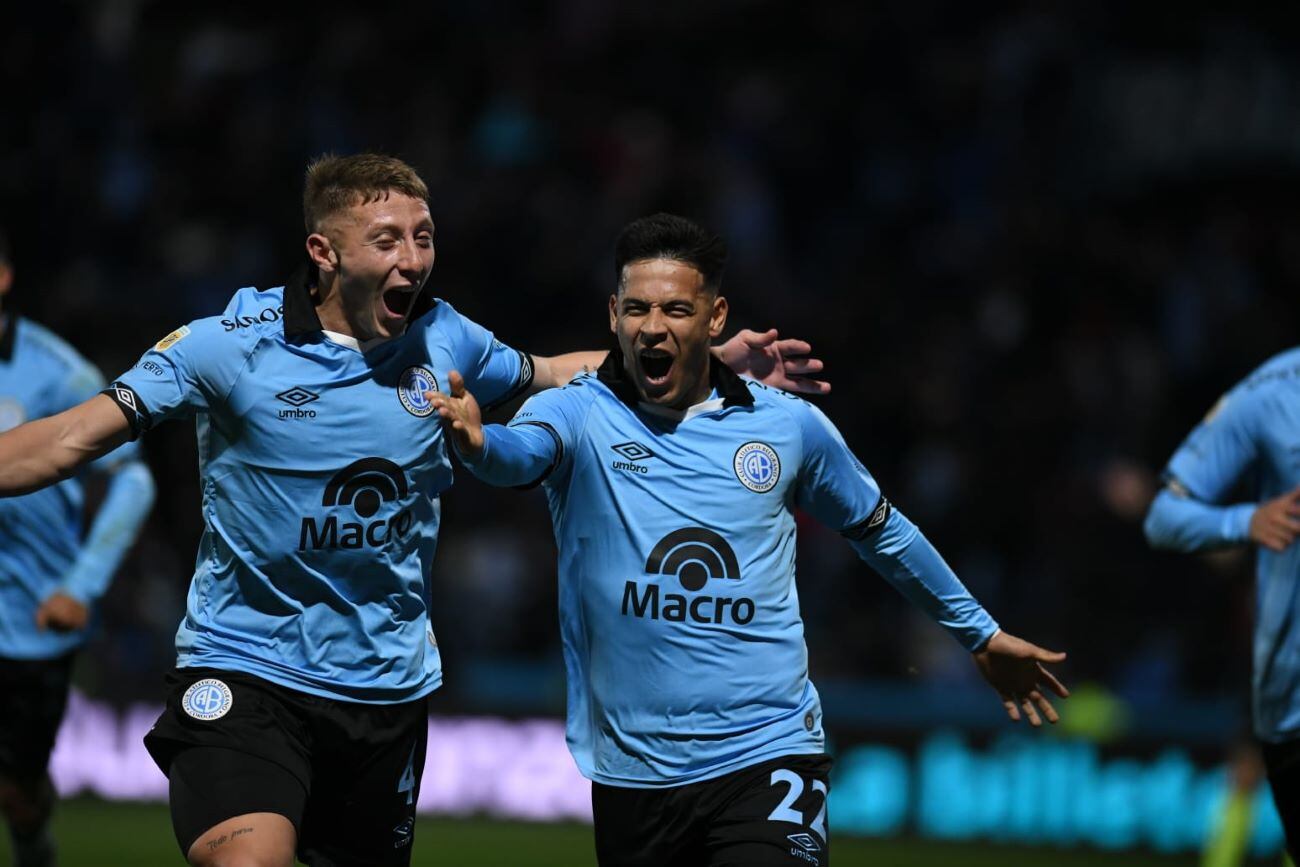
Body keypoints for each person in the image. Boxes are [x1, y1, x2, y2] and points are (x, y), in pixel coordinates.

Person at [0, 156, 827, 867]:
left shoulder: (445, 337)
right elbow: (70, 439)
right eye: (388, 239)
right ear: (324, 252)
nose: (413, 258)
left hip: (384, 693)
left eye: (423, 236)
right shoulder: (226, 346)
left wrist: (703, 359)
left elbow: (551, 373)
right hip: (246, 668)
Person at [431, 213, 1071, 866]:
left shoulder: (789, 426)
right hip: (633, 771)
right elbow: (517, 454)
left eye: (676, 308)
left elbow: (882, 531)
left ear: (715, 317)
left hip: (767, 750)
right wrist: (480, 443)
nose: (654, 326)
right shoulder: (578, 410)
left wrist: (979, 633)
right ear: (614, 314)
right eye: (637, 308)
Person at [0, 229, 156, 867]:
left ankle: (33, 842)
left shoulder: (59, 371)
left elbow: (133, 479)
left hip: (27, 622)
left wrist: (80, 586)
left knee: (18, 790)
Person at [1145, 348, 1300, 860]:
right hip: (1280, 662)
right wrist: (1244, 524)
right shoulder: (1268, 396)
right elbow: (1168, 515)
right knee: (1247, 767)